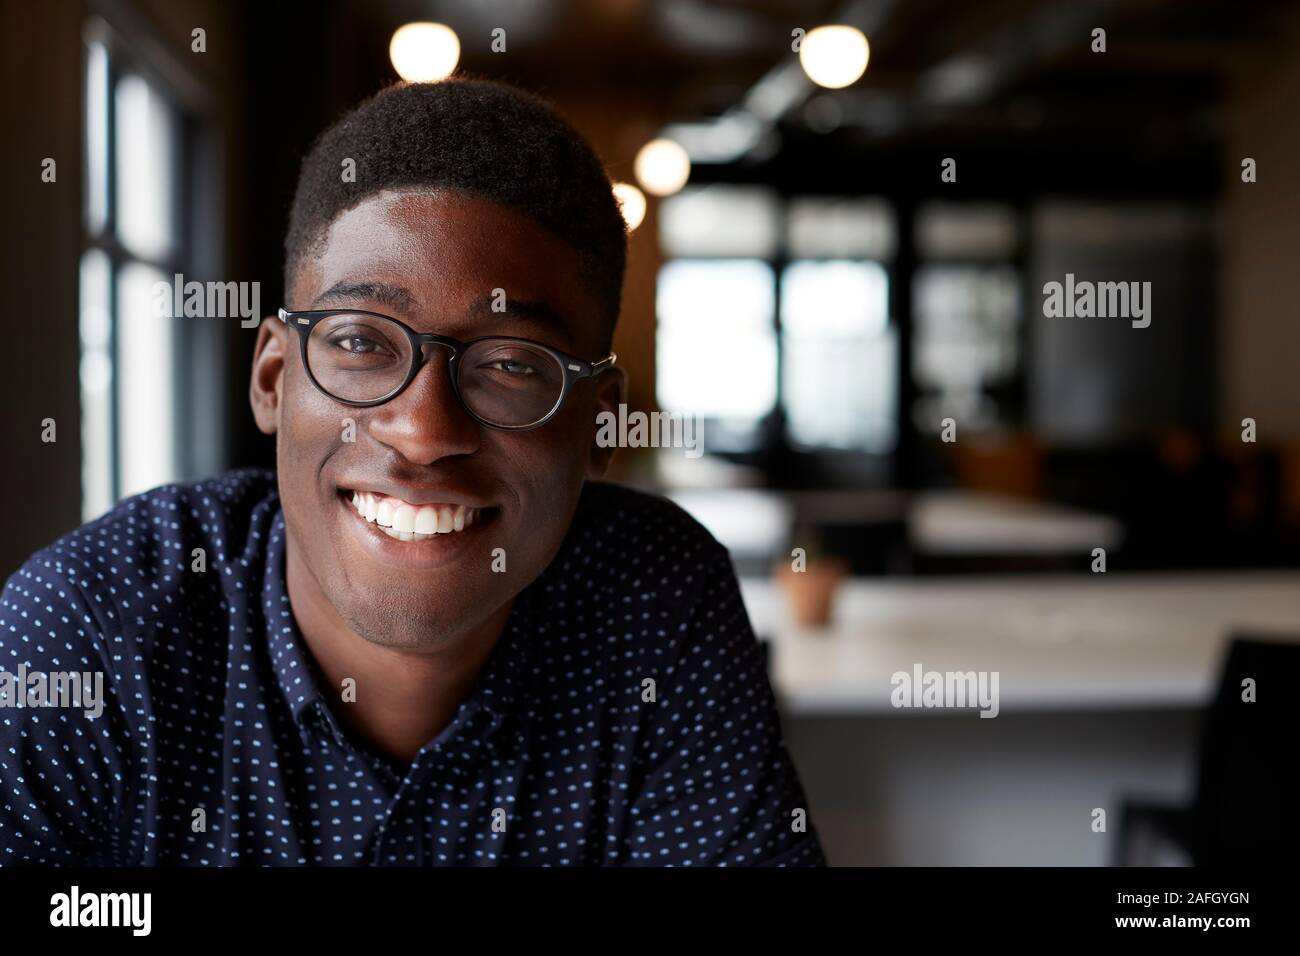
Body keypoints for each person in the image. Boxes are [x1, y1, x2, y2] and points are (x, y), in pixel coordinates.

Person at [0, 78, 824, 866]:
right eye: (361, 342)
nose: (425, 432)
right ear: (274, 381)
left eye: (509, 363)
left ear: (600, 424)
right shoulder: (88, 632)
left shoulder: (654, 604)